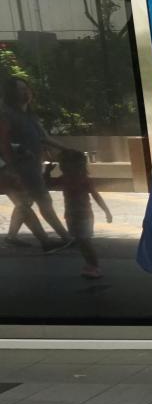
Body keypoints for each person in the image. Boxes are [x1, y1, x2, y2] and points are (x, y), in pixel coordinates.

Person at [1, 76, 71, 249]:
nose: (26, 92)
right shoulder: (6, 114)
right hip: (18, 168)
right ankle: (64, 237)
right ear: (12, 93)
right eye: (20, 89)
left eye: (26, 88)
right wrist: (11, 169)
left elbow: (44, 137)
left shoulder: (30, 115)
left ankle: (16, 237)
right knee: (42, 200)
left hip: (31, 167)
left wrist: (67, 150)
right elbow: (3, 142)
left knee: (24, 204)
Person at [54, 148, 111, 279]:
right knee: (81, 241)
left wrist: (107, 211)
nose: (61, 167)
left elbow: (96, 196)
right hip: (71, 215)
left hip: (84, 216)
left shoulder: (83, 180)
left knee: (85, 241)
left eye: (64, 164)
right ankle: (90, 265)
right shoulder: (64, 178)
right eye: (61, 164)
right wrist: (46, 173)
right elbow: (47, 184)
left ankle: (95, 266)